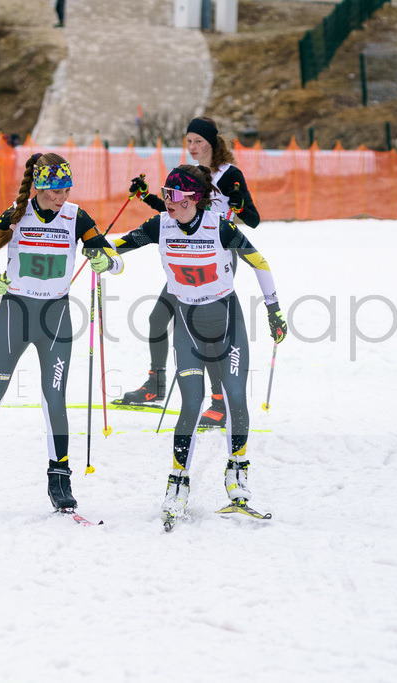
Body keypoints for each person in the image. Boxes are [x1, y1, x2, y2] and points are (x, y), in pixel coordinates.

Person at [0, 152, 123, 510]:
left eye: (66, 190)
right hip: (14, 314)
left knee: (54, 396)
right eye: (53, 192)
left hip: (56, 317)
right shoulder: (16, 216)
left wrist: (105, 261)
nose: (60, 198)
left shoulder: (76, 216)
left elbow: (115, 258)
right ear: (38, 187)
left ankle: (60, 478)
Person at [113, 165, 287, 520]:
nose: (167, 202)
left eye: (174, 197)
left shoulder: (219, 227)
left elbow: (260, 262)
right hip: (188, 323)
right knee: (191, 401)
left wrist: (274, 311)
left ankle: (237, 474)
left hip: (227, 320)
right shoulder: (159, 226)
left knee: (236, 397)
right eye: (164, 194)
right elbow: (116, 247)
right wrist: (102, 256)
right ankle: (177, 483)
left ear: (194, 198)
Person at [119, 116, 260, 430]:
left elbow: (254, 219)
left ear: (212, 142)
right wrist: (146, 196)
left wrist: (237, 206)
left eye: (198, 141)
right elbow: (175, 213)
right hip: (182, 256)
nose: (193, 147)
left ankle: (219, 399)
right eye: (189, 142)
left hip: (216, 258)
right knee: (158, 317)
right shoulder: (190, 174)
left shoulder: (229, 174)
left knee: (206, 331)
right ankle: (155, 384)